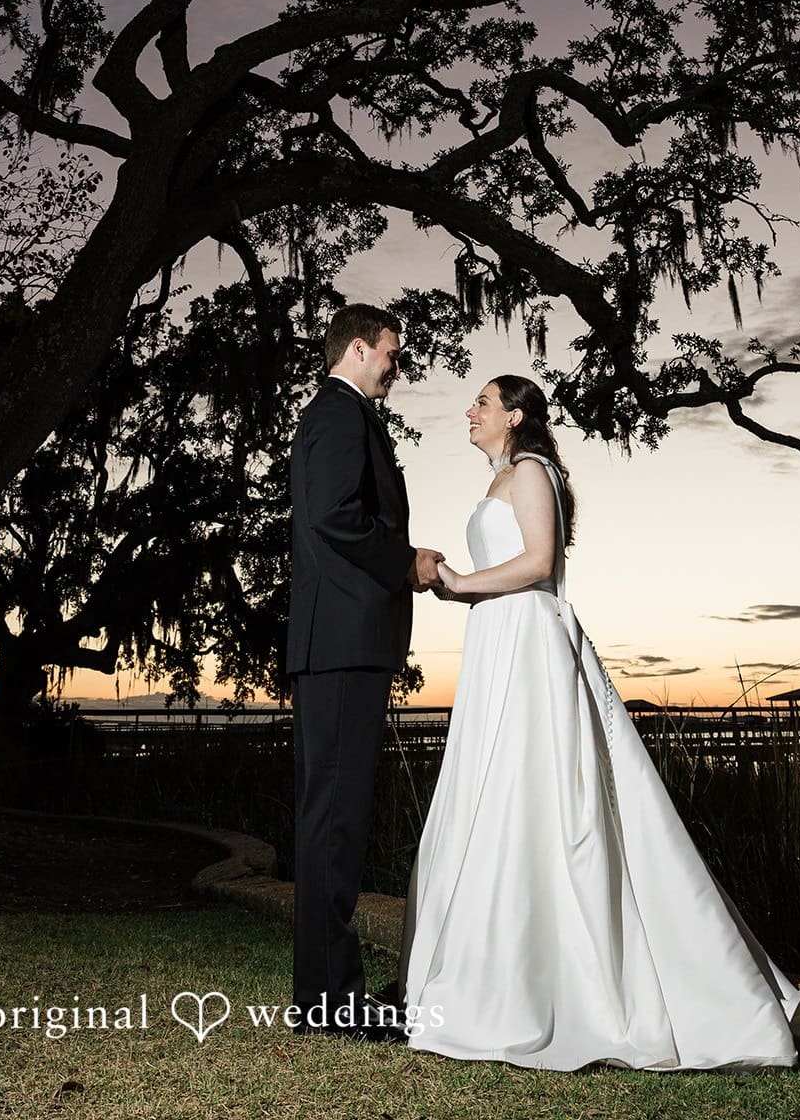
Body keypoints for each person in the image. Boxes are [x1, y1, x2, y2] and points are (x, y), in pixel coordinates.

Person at [396, 373, 800, 1070]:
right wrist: (463, 590)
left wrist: (461, 583)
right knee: (498, 789)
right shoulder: (503, 478)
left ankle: (627, 993)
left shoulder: (532, 471)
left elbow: (537, 563)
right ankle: (488, 970)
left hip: (529, 643)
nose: (467, 410)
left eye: (481, 401)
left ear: (516, 414)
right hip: (499, 639)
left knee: (542, 793)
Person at [286, 303, 445, 1043]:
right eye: (391, 351)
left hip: (344, 643)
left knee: (335, 818)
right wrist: (404, 561)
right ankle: (329, 1003)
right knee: (334, 820)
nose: (396, 364)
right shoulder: (339, 414)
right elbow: (333, 517)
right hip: (344, 642)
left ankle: (326, 992)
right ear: (358, 347)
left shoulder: (340, 415)